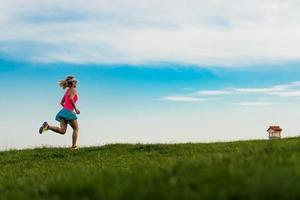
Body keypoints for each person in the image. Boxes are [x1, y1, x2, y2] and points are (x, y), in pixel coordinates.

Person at [39, 75, 80, 149]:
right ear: (72, 83)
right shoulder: (73, 90)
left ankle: (48, 127)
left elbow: (61, 103)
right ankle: (73, 147)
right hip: (68, 112)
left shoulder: (67, 91)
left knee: (62, 131)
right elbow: (71, 99)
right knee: (76, 129)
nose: (76, 82)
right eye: (75, 81)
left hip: (63, 112)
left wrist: (66, 110)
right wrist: (75, 109)